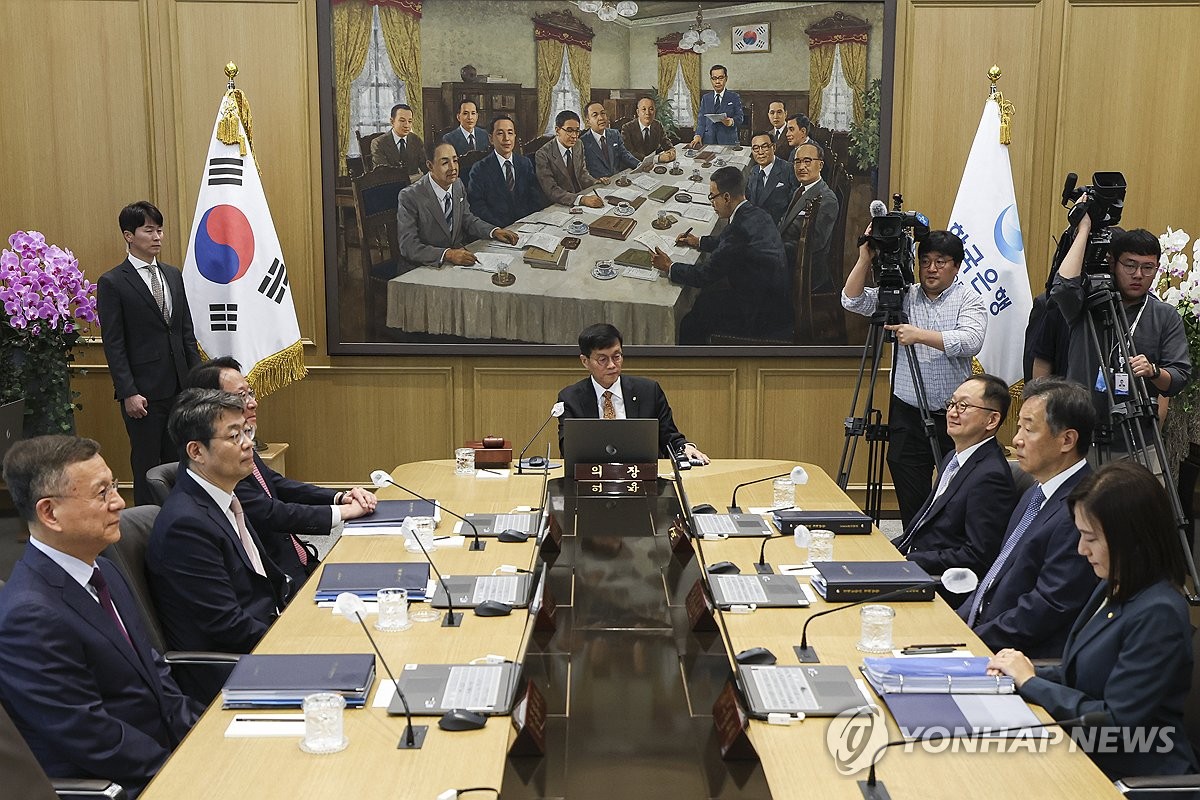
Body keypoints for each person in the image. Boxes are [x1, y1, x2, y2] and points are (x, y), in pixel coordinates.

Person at [0, 436, 199, 797]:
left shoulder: (105, 570)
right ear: (49, 513)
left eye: (115, 486)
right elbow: (92, 737)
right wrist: (185, 769)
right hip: (127, 785)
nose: (119, 502)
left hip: (167, 757)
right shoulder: (29, 615)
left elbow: (157, 676)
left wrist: (204, 737)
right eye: (102, 492)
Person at [988, 461, 1198, 780]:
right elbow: (1081, 674)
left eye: (1091, 537)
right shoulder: (1111, 584)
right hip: (1084, 753)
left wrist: (1030, 682)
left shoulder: (1159, 613)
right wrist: (1018, 671)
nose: (1081, 549)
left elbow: (1115, 725)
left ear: (1132, 538)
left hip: (1130, 776)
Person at [146, 389, 292, 702]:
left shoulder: (223, 496)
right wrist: (298, 643)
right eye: (234, 435)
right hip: (233, 671)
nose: (248, 443)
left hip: (264, 636)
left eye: (247, 431)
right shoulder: (185, 525)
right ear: (196, 452)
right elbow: (227, 626)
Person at [184, 357, 377, 587]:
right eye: (240, 397)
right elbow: (270, 512)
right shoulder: (219, 465)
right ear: (210, 403)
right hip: (278, 581)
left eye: (250, 393)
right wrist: (342, 512)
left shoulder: (239, 442)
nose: (253, 403)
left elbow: (275, 484)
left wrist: (339, 497)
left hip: (299, 562)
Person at [842, 228, 988, 529]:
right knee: (911, 493)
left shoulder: (968, 298)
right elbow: (852, 300)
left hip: (956, 415)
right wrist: (864, 259)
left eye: (941, 261)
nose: (931, 269)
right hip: (908, 412)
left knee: (958, 492)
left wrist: (919, 335)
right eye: (925, 262)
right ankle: (913, 544)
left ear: (956, 266)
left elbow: (971, 340)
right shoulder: (904, 296)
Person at [961, 377, 1099, 658]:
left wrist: (968, 639)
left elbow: (1048, 607)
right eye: (1019, 426)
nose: (1016, 439)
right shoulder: (1034, 491)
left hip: (1019, 656)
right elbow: (996, 577)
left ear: (1067, 440)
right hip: (984, 631)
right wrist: (956, 622)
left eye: (1029, 428)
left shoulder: (1081, 508)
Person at [1051, 202, 1191, 442]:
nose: (1138, 275)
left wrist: (1153, 371)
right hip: (1080, 436)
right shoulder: (1087, 304)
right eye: (1130, 265)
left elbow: (1178, 377)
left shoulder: (1164, 315)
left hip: (1136, 438)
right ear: (1113, 263)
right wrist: (1084, 229)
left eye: (1148, 268)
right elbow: (1063, 287)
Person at [97, 201, 202, 506]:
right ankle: (146, 528)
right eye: (149, 230)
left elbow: (185, 333)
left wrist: (195, 383)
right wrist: (128, 391)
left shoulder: (172, 274)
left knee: (181, 460)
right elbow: (114, 344)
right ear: (129, 235)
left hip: (180, 388)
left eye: (160, 230)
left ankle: (181, 517)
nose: (158, 236)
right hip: (143, 393)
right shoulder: (113, 282)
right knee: (147, 465)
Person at [893, 374, 1019, 605]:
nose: (952, 413)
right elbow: (923, 523)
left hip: (939, 583)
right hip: (912, 562)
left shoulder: (990, 476)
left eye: (964, 406)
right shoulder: (953, 458)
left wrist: (909, 560)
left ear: (992, 420)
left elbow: (978, 555)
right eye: (951, 404)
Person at [651, 166, 791, 344]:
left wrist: (669, 266)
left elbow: (704, 275)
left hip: (758, 311)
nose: (711, 203)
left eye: (712, 197)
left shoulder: (738, 229)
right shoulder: (757, 213)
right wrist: (699, 241)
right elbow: (730, 244)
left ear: (726, 197)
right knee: (703, 300)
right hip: (772, 297)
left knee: (689, 322)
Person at [557, 323, 709, 464]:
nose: (611, 365)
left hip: (643, 475)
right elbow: (568, 449)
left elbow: (669, 436)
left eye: (617, 357)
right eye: (602, 359)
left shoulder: (649, 391)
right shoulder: (570, 398)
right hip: (592, 476)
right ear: (585, 361)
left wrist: (685, 447)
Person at [396, 141, 519, 270]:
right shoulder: (410, 196)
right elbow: (408, 246)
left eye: (455, 161)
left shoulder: (457, 184)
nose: (453, 168)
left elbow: (467, 219)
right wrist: (448, 254)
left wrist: (493, 231)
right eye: (445, 163)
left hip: (455, 262)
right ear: (430, 165)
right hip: (422, 267)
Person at [466, 115, 547, 229]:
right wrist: (502, 228)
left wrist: (529, 222)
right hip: (497, 230)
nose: (506, 138)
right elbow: (478, 207)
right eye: (500, 133)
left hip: (526, 226)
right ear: (491, 138)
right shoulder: (479, 169)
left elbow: (535, 198)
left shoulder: (525, 163)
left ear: (515, 136)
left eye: (510, 133)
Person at [778, 141, 839, 289]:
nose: (801, 167)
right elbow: (785, 221)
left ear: (820, 165)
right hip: (787, 254)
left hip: (805, 269)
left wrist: (776, 249)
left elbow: (815, 243)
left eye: (807, 161)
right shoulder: (802, 189)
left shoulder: (826, 199)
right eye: (797, 162)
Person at [535, 110, 608, 208]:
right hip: (558, 205)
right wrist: (581, 199)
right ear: (557, 130)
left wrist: (595, 182)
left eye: (577, 131)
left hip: (580, 199)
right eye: (569, 130)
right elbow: (551, 190)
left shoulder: (578, 144)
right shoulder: (542, 154)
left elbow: (582, 173)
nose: (574, 136)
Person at [745, 132, 797, 226]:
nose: (760, 152)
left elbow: (793, 206)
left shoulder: (789, 170)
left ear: (774, 147)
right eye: (756, 148)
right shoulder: (754, 170)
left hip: (777, 228)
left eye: (765, 147)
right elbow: (749, 199)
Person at [581, 101, 640, 178]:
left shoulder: (614, 134)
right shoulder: (582, 142)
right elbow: (583, 172)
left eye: (603, 113)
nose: (601, 118)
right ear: (588, 122)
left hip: (616, 180)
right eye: (595, 115)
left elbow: (624, 154)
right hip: (598, 184)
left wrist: (639, 165)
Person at [689, 65, 744, 147]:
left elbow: (740, 118)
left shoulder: (734, 97)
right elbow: (701, 121)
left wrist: (731, 122)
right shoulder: (706, 98)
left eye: (721, 78)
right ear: (711, 80)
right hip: (708, 141)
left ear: (726, 79)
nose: (717, 82)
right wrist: (698, 136)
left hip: (728, 141)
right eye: (714, 78)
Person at [369, 103, 426, 179]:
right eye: (402, 121)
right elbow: (382, 174)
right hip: (390, 187)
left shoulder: (416, 140)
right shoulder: (378, 143)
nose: (407, 125)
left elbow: (425, 168)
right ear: (392, 121)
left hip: (414, 187)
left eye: (410, 121)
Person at [620, 96, 676, 163]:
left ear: (655, 112)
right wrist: (656, 159)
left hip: (652, 168)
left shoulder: (657, 125)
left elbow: (667, 144)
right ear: (638, 112)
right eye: (644, 109)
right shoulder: (627, 128)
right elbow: (629, 153)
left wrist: (671, 151)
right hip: (634, 166)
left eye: (651, 109)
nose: (648, 113)